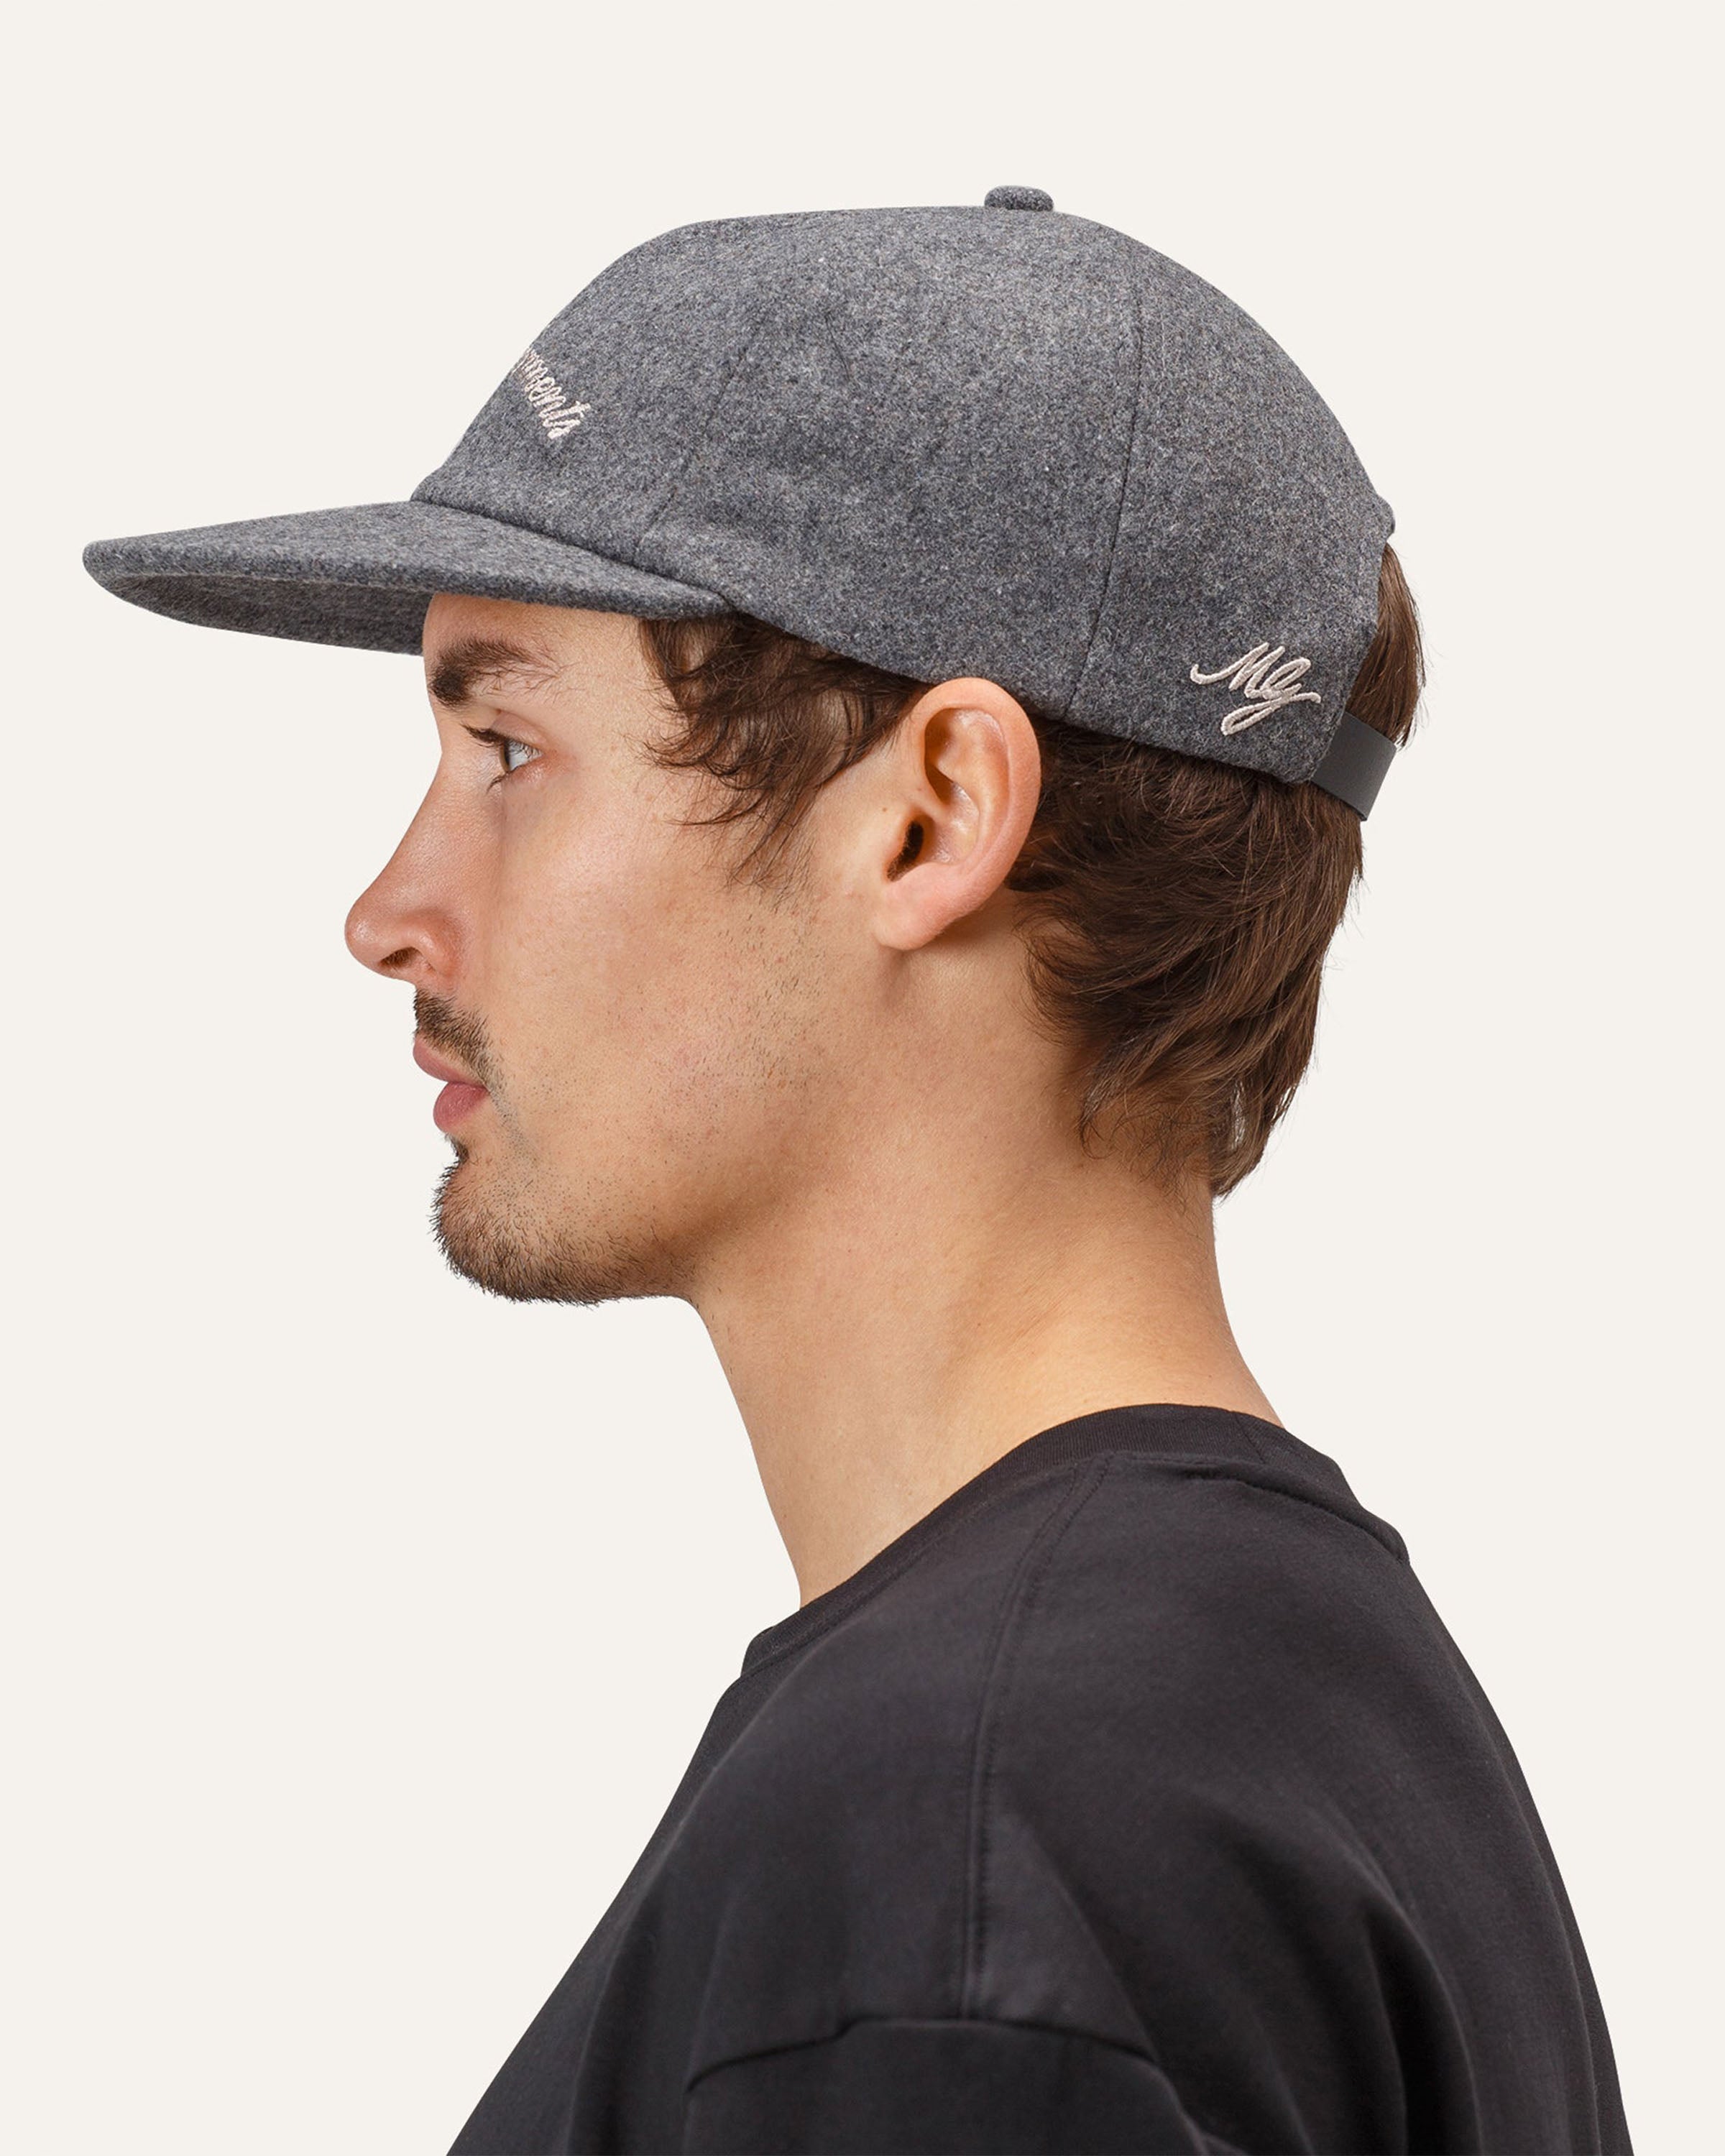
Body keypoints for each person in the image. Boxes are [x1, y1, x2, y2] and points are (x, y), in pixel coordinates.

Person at [84, 189, 1632, 2155]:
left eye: (509, 751)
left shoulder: (967, 1864)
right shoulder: (1298, 1716)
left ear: (931, 819)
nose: (387, 912)